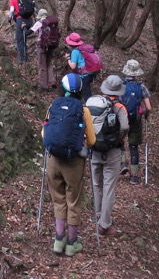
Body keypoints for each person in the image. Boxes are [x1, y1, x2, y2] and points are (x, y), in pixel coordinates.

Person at [42, 73, 96, 256]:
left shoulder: (53, 106)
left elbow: (44, 134)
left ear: (62, 89)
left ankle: (58, 241)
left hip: (53, 159)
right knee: (73, 200)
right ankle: (72, 244)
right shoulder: (83, 110)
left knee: (58, 199)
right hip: (73, 162)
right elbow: (92, 140)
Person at [86, 75, 129, 237]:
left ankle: (98, 214)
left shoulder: (93, 103)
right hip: (112, 151)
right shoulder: (119, 107)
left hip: (94, 149)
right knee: (109, 186)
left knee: (97, 184)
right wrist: (118, 139)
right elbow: (125, 126)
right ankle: (104, 224)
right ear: (118, 91)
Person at [120, 59, 152, 184]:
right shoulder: (141, 87)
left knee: (120, 141)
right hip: (136, 119)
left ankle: (123, 164)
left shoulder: (121, 85)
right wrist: (146, 115)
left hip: (122, 117)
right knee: (133, 146)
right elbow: (148, 107)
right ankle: (133, 176)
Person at [64, 32, 102, 101]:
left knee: (86, 94)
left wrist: (68, 59)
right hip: (91, 72)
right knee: (85, 90)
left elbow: (73, 66)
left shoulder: (75, 51)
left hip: (84, 75)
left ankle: (89, 106)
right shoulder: (83, 48)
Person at [31, 9, 59, 91]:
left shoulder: (40, 23)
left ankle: (45, 85)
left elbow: (30, 32)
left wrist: (24, 29)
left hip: (42, 46)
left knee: (42, 66)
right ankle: (53, 81)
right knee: (49, 64)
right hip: (52, 46)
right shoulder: (52, 23)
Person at [7, 0, 33, 64]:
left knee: (20, 40)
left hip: (20, 20)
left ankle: (22, 59)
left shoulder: (13, 0)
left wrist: (9, 19)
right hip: (29, 21)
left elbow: (11, 11)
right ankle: (26, 55)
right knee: (24, 37)